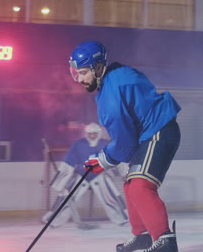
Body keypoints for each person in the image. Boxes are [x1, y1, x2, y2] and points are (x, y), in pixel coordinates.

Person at [68, 41, 181, 252]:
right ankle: (143, 235)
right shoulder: (115, 76)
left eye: (83, 73)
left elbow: (125, 145)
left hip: (159, 132)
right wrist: (107, 157)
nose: (80, 79)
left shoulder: (111, 97)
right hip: (152, 133)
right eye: (76, 74)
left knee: (140, 186)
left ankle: (165, 242)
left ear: (99, 68)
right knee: (130, 186)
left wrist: (104, 159)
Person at [42, 122, 129, 229]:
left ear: (99, 133)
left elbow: (117, 159)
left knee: (111, 196)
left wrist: (125, 174)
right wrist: (60, 183)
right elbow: (68, 162)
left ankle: (122, 218)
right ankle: (53, 219)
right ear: (86, 134)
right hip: (81, 175)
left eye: (94, 133)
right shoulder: (78, 144)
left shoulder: (106, 144)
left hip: (100, 175)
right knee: (67, 198)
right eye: (90, 133)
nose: (92, 136)